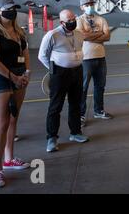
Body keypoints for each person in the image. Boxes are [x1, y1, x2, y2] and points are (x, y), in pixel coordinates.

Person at [0, 0, 30, 189]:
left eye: (14, 9)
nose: (12, 12)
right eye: (8, 9)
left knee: (13, 119)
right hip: (1, 78)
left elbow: (25, 54)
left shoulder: (19, 32)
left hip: (19, 77)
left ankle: (9, 159)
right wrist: (12, 76)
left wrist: (26, 72)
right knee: (1, 122)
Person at [38, 9, 89, 153]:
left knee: (75, 104)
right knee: (56, 106)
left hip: (77, 71)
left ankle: (75, 133)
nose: (73, 21)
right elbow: (42, 56)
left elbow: (78, 49)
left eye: (74, 18)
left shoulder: (79, 34)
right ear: (61, 22)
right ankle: (52, 138)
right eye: (69, 20)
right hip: (59, 74)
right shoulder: (52, 35)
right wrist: (54, 69)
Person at [76, 0, 112, 127]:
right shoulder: (79, 20)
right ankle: (80, 114)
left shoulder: (101, 19)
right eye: (87, 4)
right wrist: (100, 35)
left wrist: (91, 37)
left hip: (100, 57)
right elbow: (82, 36)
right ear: (82, 7)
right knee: (83, 88)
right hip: (86, 59)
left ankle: (99, 110)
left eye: (91, 4)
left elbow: (108, 36)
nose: (90, 6)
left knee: (100, 86)